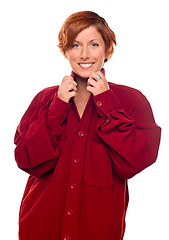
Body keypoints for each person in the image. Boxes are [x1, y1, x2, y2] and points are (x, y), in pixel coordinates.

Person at [14, 11, 161, 240]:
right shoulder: (45, 99)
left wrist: (108, 103)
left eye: (94, 44)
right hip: (40, 227)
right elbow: (26, 159)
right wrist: (57, 107)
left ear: (107, 49)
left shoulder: (132, 101)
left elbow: (135, 161)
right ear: (65, 51)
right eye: (75, 45)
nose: (84, 54)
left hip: (99, 230)